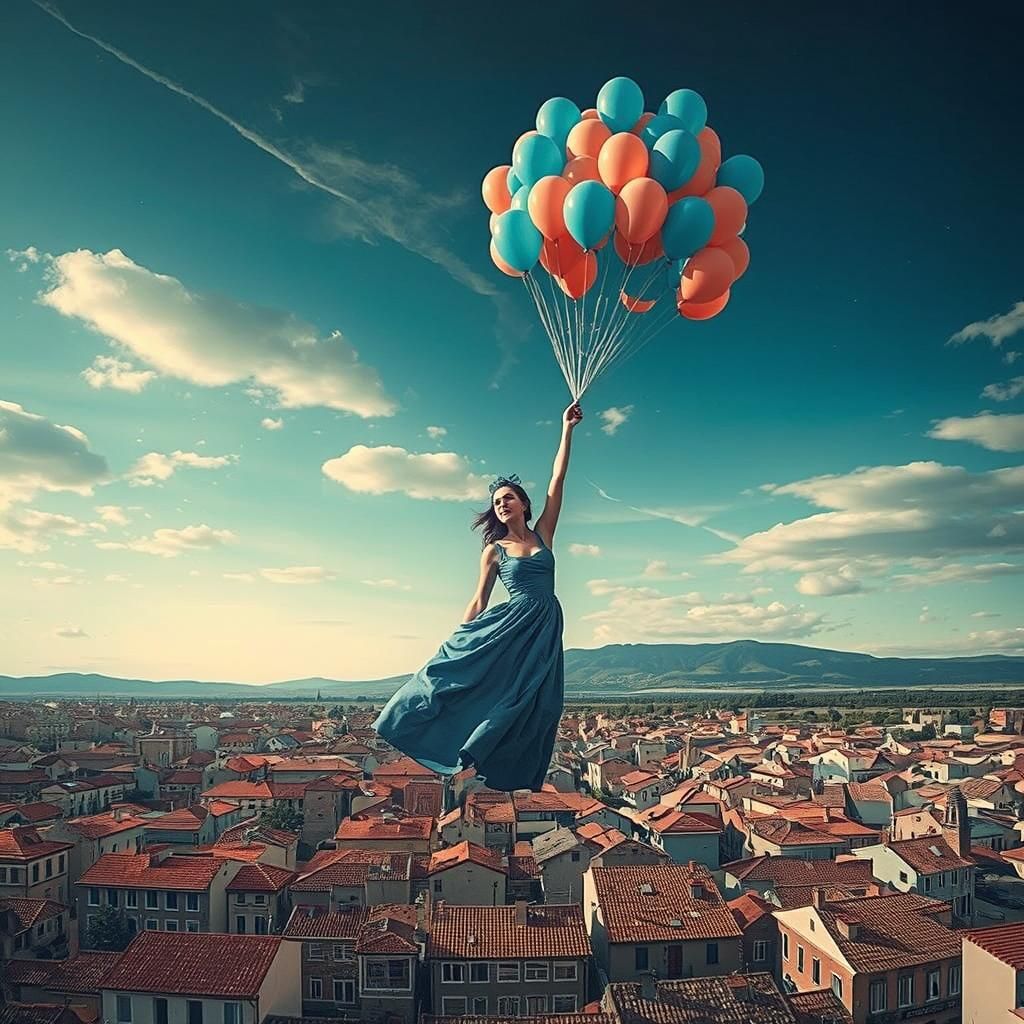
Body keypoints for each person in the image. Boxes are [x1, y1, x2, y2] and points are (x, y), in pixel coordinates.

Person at [372, 401, 583, 792]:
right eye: (497, 502)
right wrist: (457, 641)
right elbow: (478, 600)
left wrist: (565, 430)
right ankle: (460, 752)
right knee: (488, 689)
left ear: (524, 504)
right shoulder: (494, 550)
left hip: (546, 626)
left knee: (544, 705)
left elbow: (558, 480)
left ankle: (501, 766)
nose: (502, 504)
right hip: (511, 626)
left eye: (508, 498)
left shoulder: (543, 534)